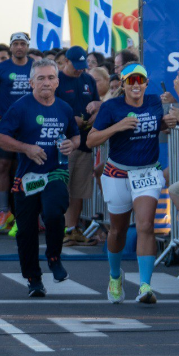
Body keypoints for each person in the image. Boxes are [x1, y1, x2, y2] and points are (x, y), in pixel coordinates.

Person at [0, 59, 79, 297]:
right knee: (26, 230)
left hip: (55, 171)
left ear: (57, 82)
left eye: (51, 78)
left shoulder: (64, 108)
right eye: (40, 78)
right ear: (31, 82)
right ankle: (33, 278)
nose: (46, 82)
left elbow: (76, 137)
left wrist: (69, 145)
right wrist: (27, 148)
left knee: (54, 211)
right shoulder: (21, 107)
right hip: (27, 176)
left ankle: (54, 257)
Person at [87, 63, 167, 304]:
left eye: (139, 80)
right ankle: (114, 276)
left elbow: (158, 124)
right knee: (117, 231)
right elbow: (91, 140)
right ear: (122, 84)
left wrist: (168, 122)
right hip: (117, 173)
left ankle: (145, 286)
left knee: (145, 225)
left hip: (147, 172)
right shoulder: (112, 107)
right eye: (130, 81)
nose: (136, 85)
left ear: (145, 84)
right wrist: (118, 127)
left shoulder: (154, 102)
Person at [0, 32, 33, 234]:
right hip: (7, 124)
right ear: (11, 47)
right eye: (16, 44)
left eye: (23, 44)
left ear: (27, 46)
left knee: (29, 166)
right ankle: (3, 212)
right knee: (3, 166)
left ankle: (31, 212)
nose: (20, 47)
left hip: (31, 124)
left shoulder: (35, 66)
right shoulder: (0, 68)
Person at [55, 46, 100, 245]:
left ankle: (72, 229)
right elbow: (48, 106)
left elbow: (97, 103)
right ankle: (59, 228)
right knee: (61, 188)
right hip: (62, 143)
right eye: (76, 65)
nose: (80, 69)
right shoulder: (55, 80)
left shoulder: (89, 80)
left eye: (83, 66)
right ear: (66, 61)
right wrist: (70, 119)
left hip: (84, 142)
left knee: (79, 189)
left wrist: (97, 112)